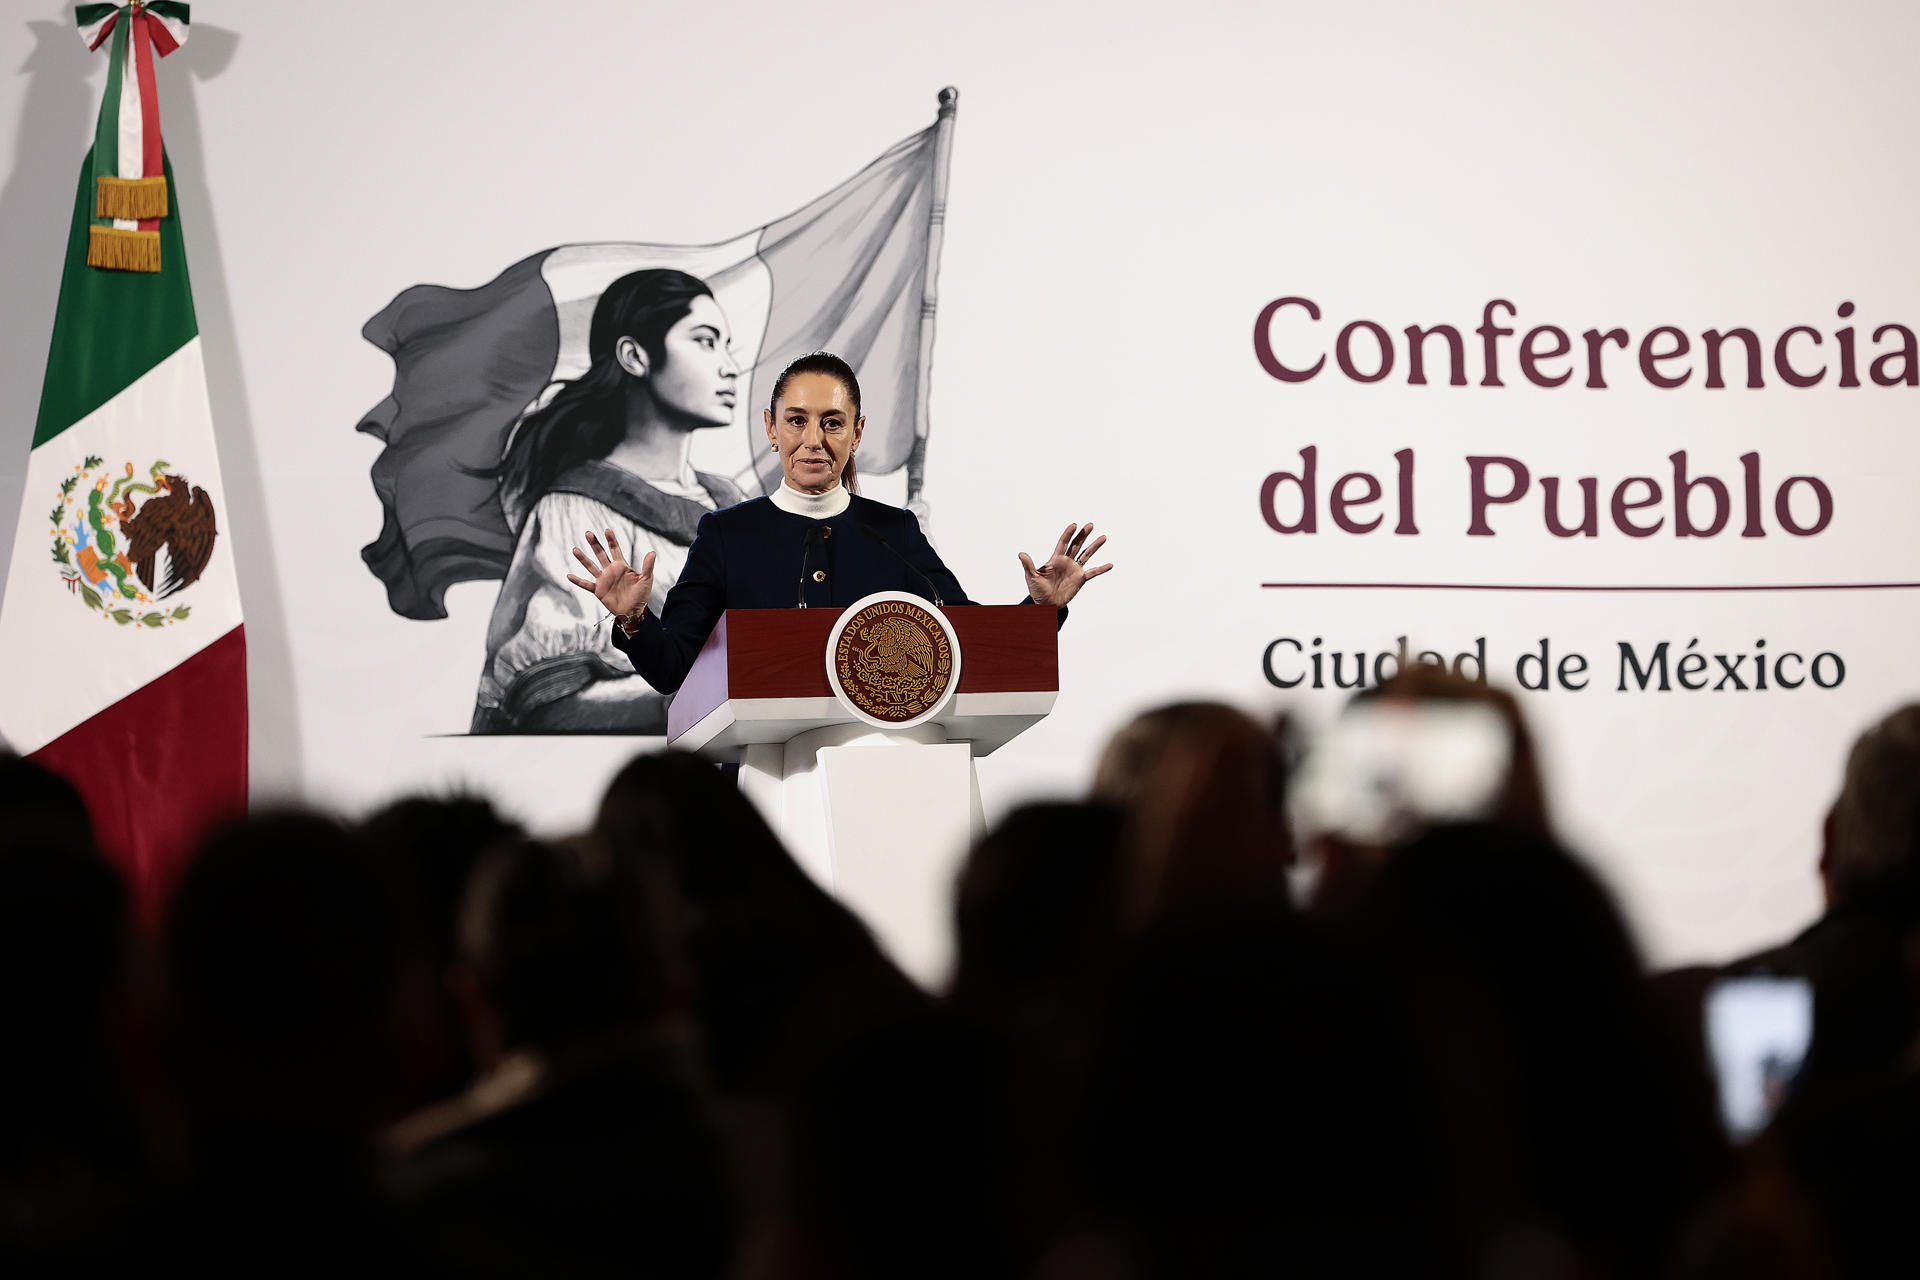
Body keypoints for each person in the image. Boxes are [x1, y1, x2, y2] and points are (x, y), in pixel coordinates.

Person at [563, 352, 1114, 695]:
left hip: (890, 771)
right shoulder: (727, 535)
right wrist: (636, 620)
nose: (814, 441)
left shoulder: (895, 532)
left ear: (857, 431)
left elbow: (964, 646)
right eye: (796, 421)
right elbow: (676, 670)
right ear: (770, 428)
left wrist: (1042, 611)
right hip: (767, 778)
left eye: (833, 423)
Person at [472, 269, 747, 735]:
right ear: (634, 356)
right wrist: (704, 696)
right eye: (705, 341)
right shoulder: (578, 509)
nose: (729, 366)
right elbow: (548, 698)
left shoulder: (734, 504)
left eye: (726, 345)